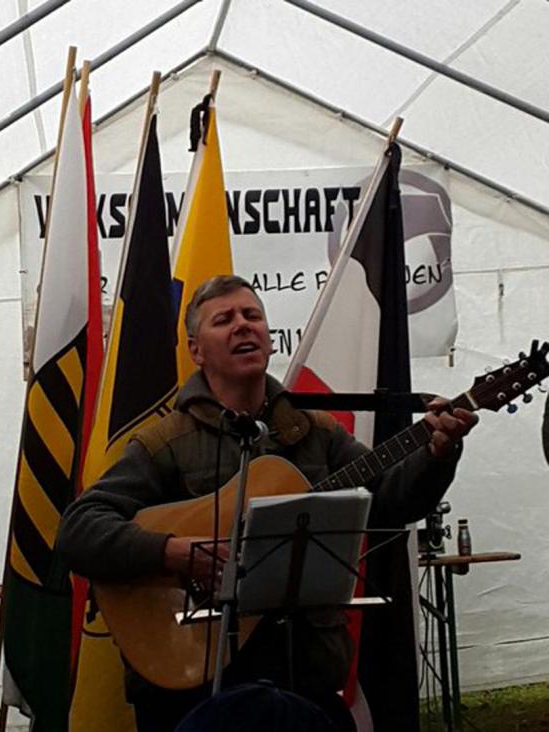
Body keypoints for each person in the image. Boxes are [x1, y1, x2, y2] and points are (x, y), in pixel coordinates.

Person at [57, 275, 477, 731]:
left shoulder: (317, 432)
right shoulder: (164, 443)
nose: (243, 326)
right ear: (196, 350)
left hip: (304, 675)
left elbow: (391, 502)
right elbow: (79, 530)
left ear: (269, 338)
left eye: (252, 316)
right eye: (225, 319)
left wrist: (437, 453)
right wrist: (175, 552)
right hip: (195, 684)